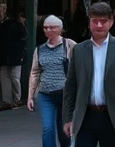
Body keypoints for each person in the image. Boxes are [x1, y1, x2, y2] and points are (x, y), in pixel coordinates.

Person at [63, 1, 115, 147]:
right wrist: (68, 118)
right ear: (89, 23)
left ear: (111, 22)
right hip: (85, 115)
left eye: (103, 21)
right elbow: (71, 86)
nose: (99, 25)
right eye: (95, 21)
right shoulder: (79, 50)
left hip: (112, 116)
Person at [28, 15, 77, 147]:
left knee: (64, 130)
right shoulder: (40, 49)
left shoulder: (69, 45)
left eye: (52, 27)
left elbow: (80, 66)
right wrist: (30, 96)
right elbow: (34, 72)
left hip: (64, 94)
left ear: (60, 29)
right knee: (47, 128)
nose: (48, 30)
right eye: (45, 27)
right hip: (45, 94)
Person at [0, 4, 28, 111]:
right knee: (15, 77)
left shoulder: (3, 26)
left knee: (5, 77)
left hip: (5, 55)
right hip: (15, 55)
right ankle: (16, 99)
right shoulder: (19, 26)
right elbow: (23, 41)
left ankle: (7, 100)